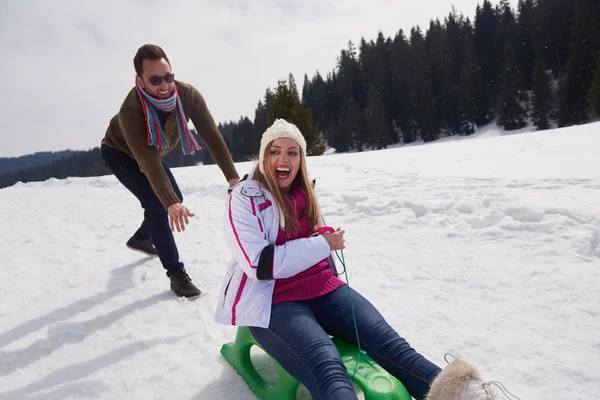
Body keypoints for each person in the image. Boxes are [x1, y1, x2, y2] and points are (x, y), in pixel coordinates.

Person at [215, 119, 515, 400]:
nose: (284, 160)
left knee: (392, 347)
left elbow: (311, 238)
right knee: (327, 365)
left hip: (324, 288)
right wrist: (322, 243)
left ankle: (468, 396)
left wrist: (322, 234)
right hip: (273, 304)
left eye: (292, 153)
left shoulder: (305, 192)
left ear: (301, 160)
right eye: (275, 152)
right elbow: (261, 265)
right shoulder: (244, 197)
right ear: (263, 156)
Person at [101, 44, 239, 299]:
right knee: (158, 203)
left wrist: (232, 178)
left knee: (173, 198)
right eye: (155, 80)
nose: (164, 85)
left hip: (150, 153)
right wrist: (169, 203)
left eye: (168, 76)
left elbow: (211, 136)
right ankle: (176, 273)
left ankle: (143, 237)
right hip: (120, 153)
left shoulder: (187, 96)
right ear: (139, 81)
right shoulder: (131, 112)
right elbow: (148, 162)